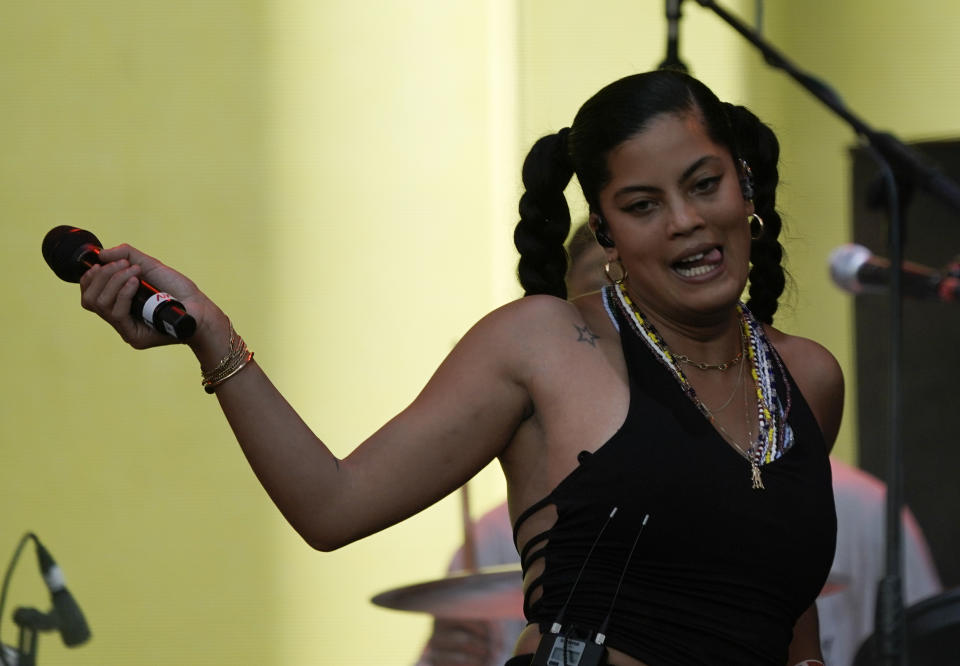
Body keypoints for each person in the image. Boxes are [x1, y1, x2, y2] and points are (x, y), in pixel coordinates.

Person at [76, 69, 843, 665]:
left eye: (704, 185)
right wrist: (214, 336)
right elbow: (332, 506)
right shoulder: (543, 344)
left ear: (744, 183)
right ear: (605, 231)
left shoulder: (806, 379)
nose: (685, 221)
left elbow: (773, 579)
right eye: (643, 205)